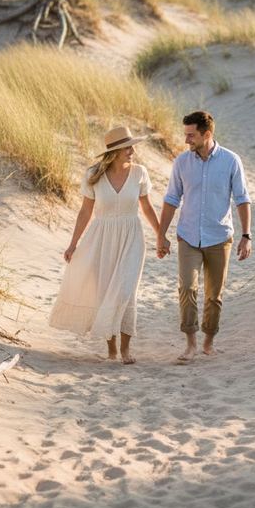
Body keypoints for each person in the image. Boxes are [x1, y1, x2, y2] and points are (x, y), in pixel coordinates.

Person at [49, 126, 160, 364]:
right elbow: (84, 212)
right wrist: (72, 244)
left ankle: (126, 350)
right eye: (127, 147)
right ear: (116, 151)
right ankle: (111, 350)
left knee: (126, 291)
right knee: (104, 292)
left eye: (131, 146)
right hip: (101, 238)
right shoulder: (93, 175)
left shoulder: (140, 173)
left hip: (132, 236)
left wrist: (161, 235)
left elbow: (147, 208)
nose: (132, 151)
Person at [156, 111, 252, 364]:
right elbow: (171, 199)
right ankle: (190, 344)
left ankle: (208, 342)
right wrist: (161, 235)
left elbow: (242, 199)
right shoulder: (181, 163)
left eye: (191, 134)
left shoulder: (231, 161)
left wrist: (246, 235)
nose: (186, 139)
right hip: (188, 236)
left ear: (206, 134)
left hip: (220, 237)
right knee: (187, 288)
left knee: (214, 295)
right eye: (185, 134)